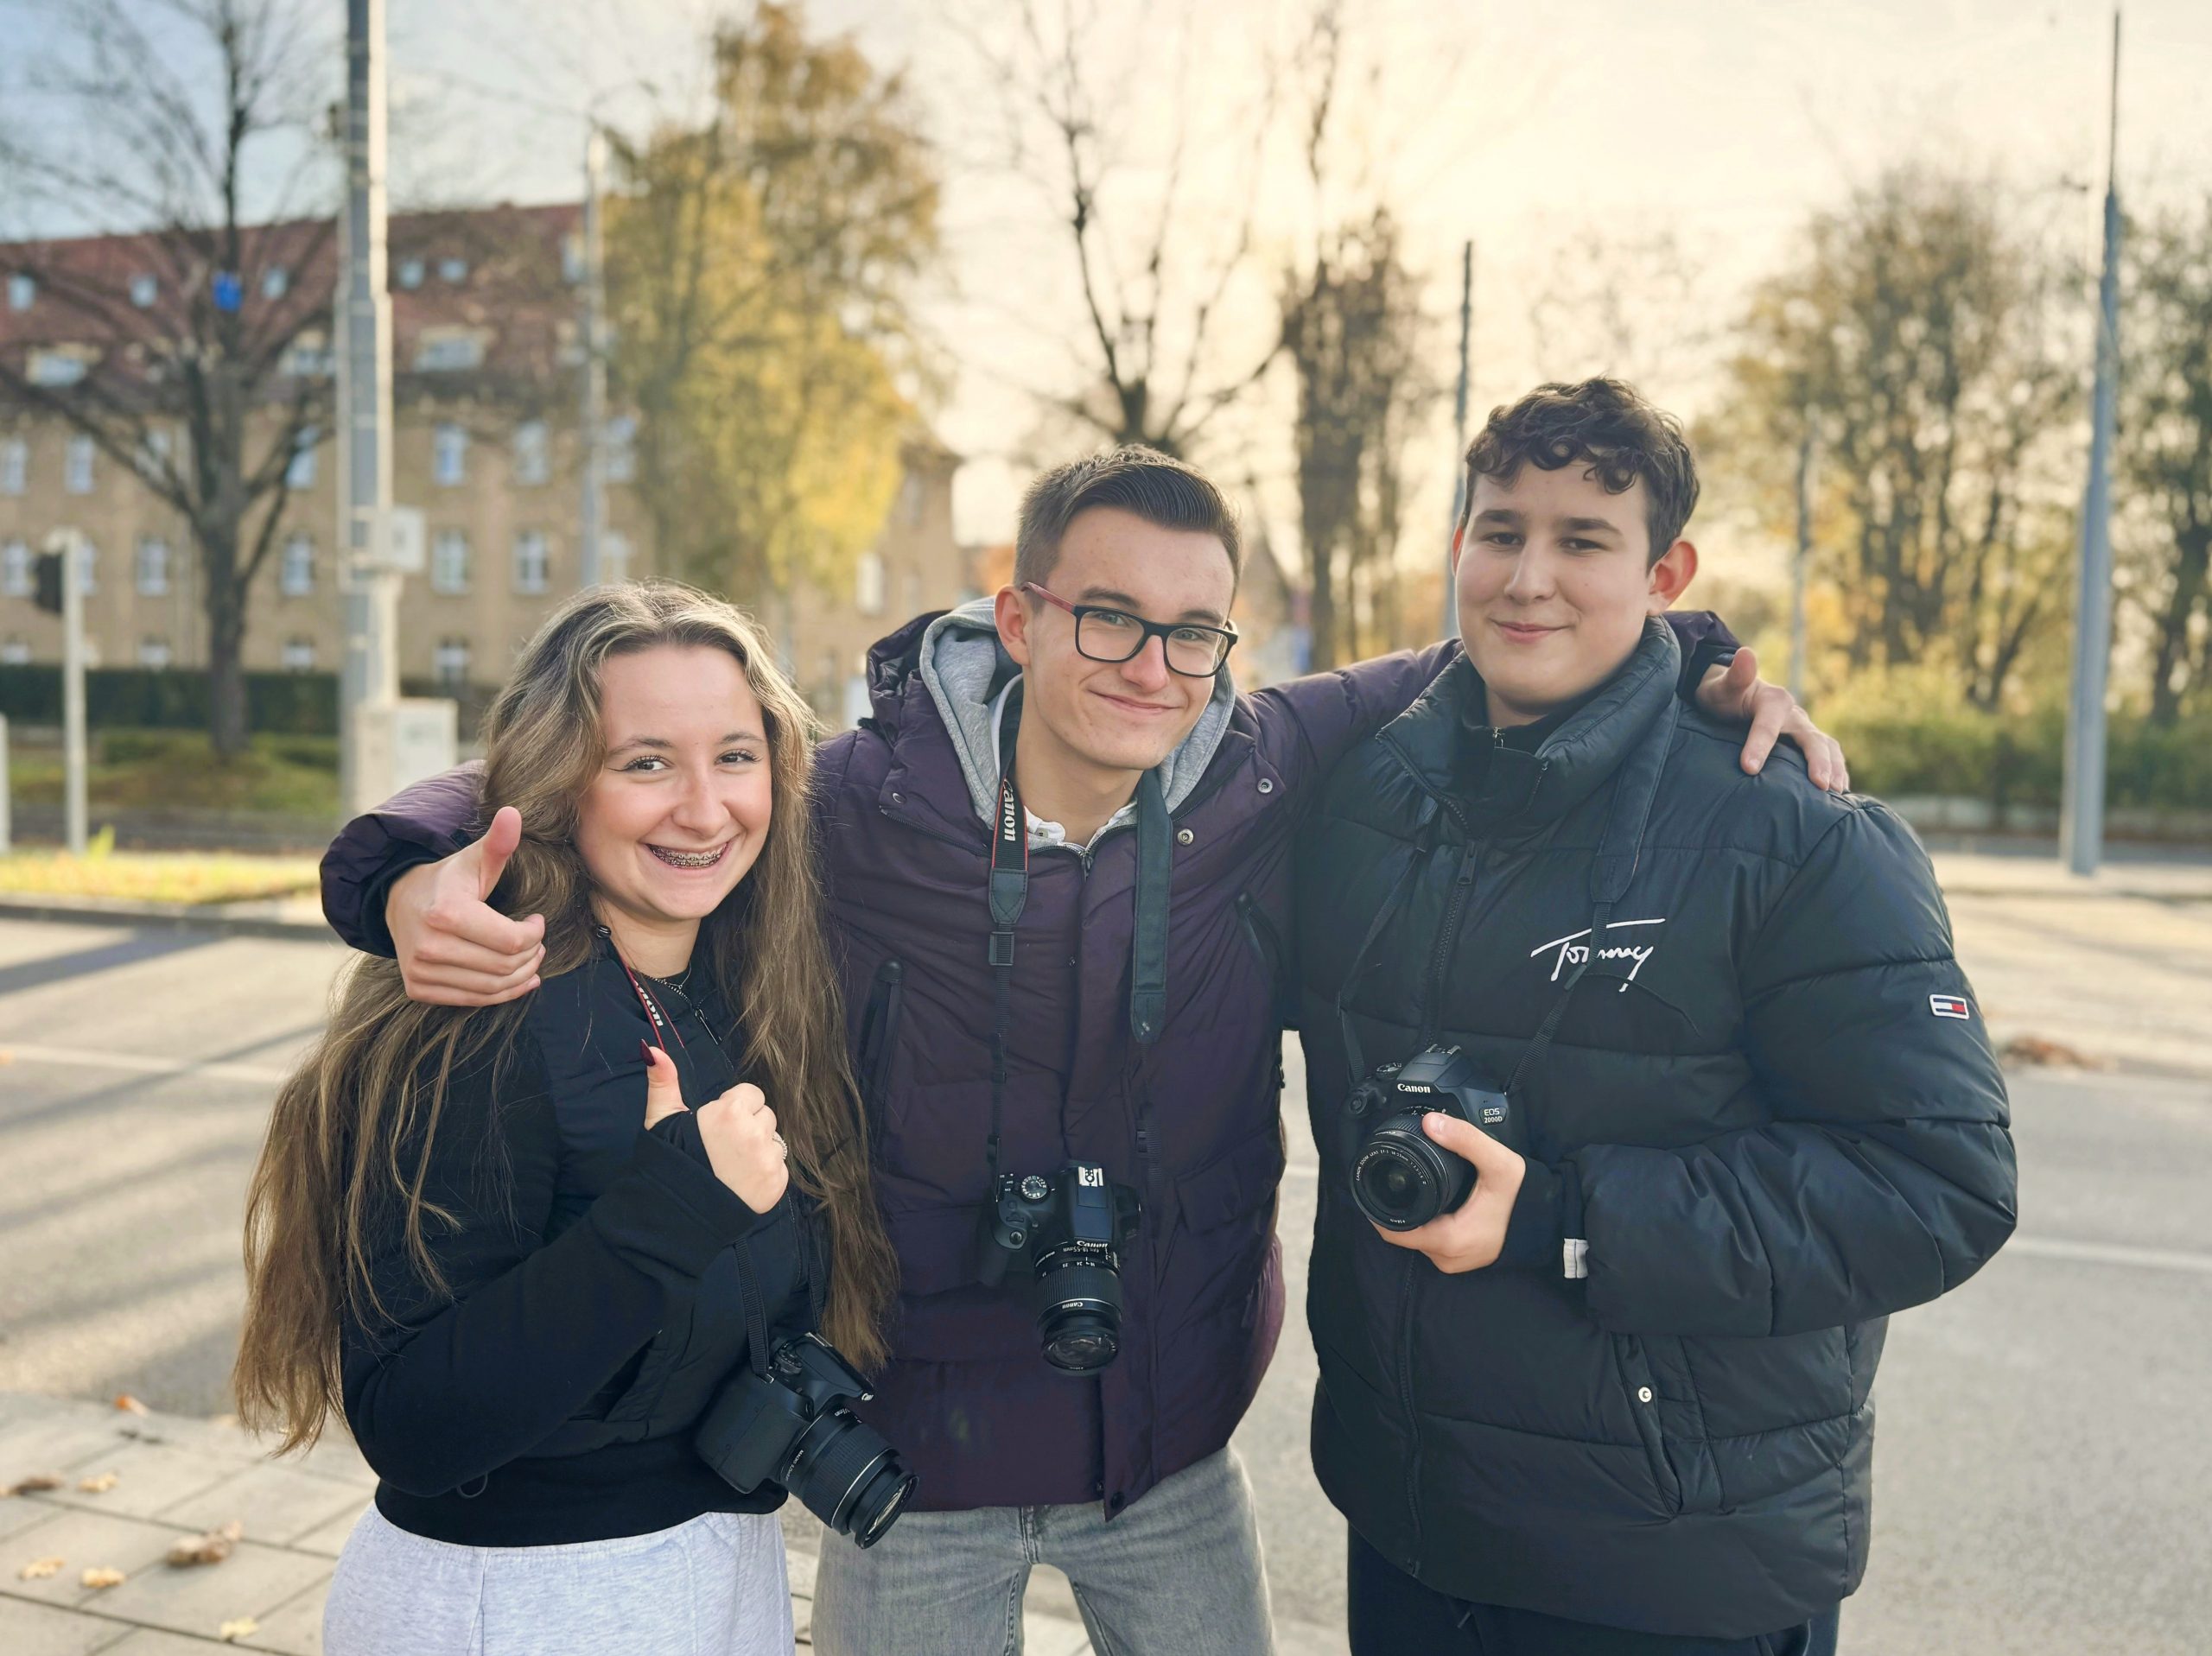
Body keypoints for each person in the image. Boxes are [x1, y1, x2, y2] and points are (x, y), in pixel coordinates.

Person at [315, 447, 1845, 1655]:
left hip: (1170, 1453)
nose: (1151, 665)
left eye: (1193, 633)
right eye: (1108, 615)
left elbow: (1514, 637)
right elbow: (614, 760)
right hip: (912, 1460)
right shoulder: (859, 804)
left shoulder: (1260, 769)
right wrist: (396, 869)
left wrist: (1704, 659)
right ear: (1021, 615)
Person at [1294, 378, 2018, 1656]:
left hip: (1674, 1564)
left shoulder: (1794, 834)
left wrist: (1568, 1220)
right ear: (1458, 545)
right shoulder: (1364, 801)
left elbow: (1937, 1186)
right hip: (1410, 1533)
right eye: (1502, 530)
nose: (1530, 578)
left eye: (1584, 540)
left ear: (1665, 574)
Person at [233, 584, 898, 1656]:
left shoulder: (734, 983)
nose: (704, 810)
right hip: (524, 1604)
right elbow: (413, 1425)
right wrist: (669, 1213)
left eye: (735, 756)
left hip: (711, 1578)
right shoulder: (488, 1011)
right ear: (560, 782)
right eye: (645, 763)